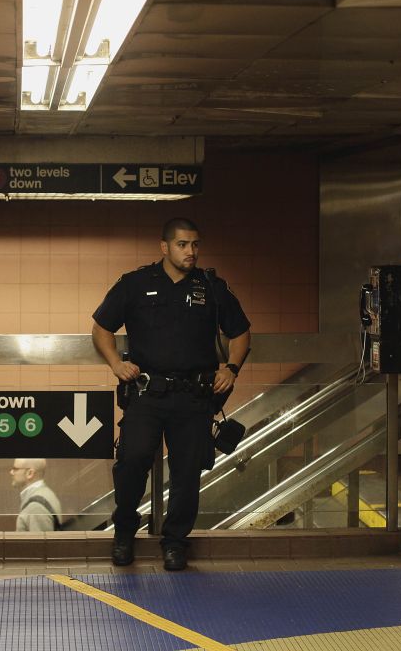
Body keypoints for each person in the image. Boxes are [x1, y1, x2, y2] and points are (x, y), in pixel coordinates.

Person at [91, 217, 251, 571]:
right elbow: (101, 327)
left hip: (194, 397)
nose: (190, 251)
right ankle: (125, 532)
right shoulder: (135, 284)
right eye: (182, 245)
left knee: (187, 473)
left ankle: (175, 542)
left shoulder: (211, 287)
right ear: (164, 247)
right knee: (132, 461)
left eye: (195, 244)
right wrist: (116, 363)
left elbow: (241, 333)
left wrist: (232, 368)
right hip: (146, 394)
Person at [11, 458, 62, 531]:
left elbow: (38, 542)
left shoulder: (36, 507)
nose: (11, 472)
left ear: (30, 473)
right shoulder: (46, 494)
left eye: (15, 469)